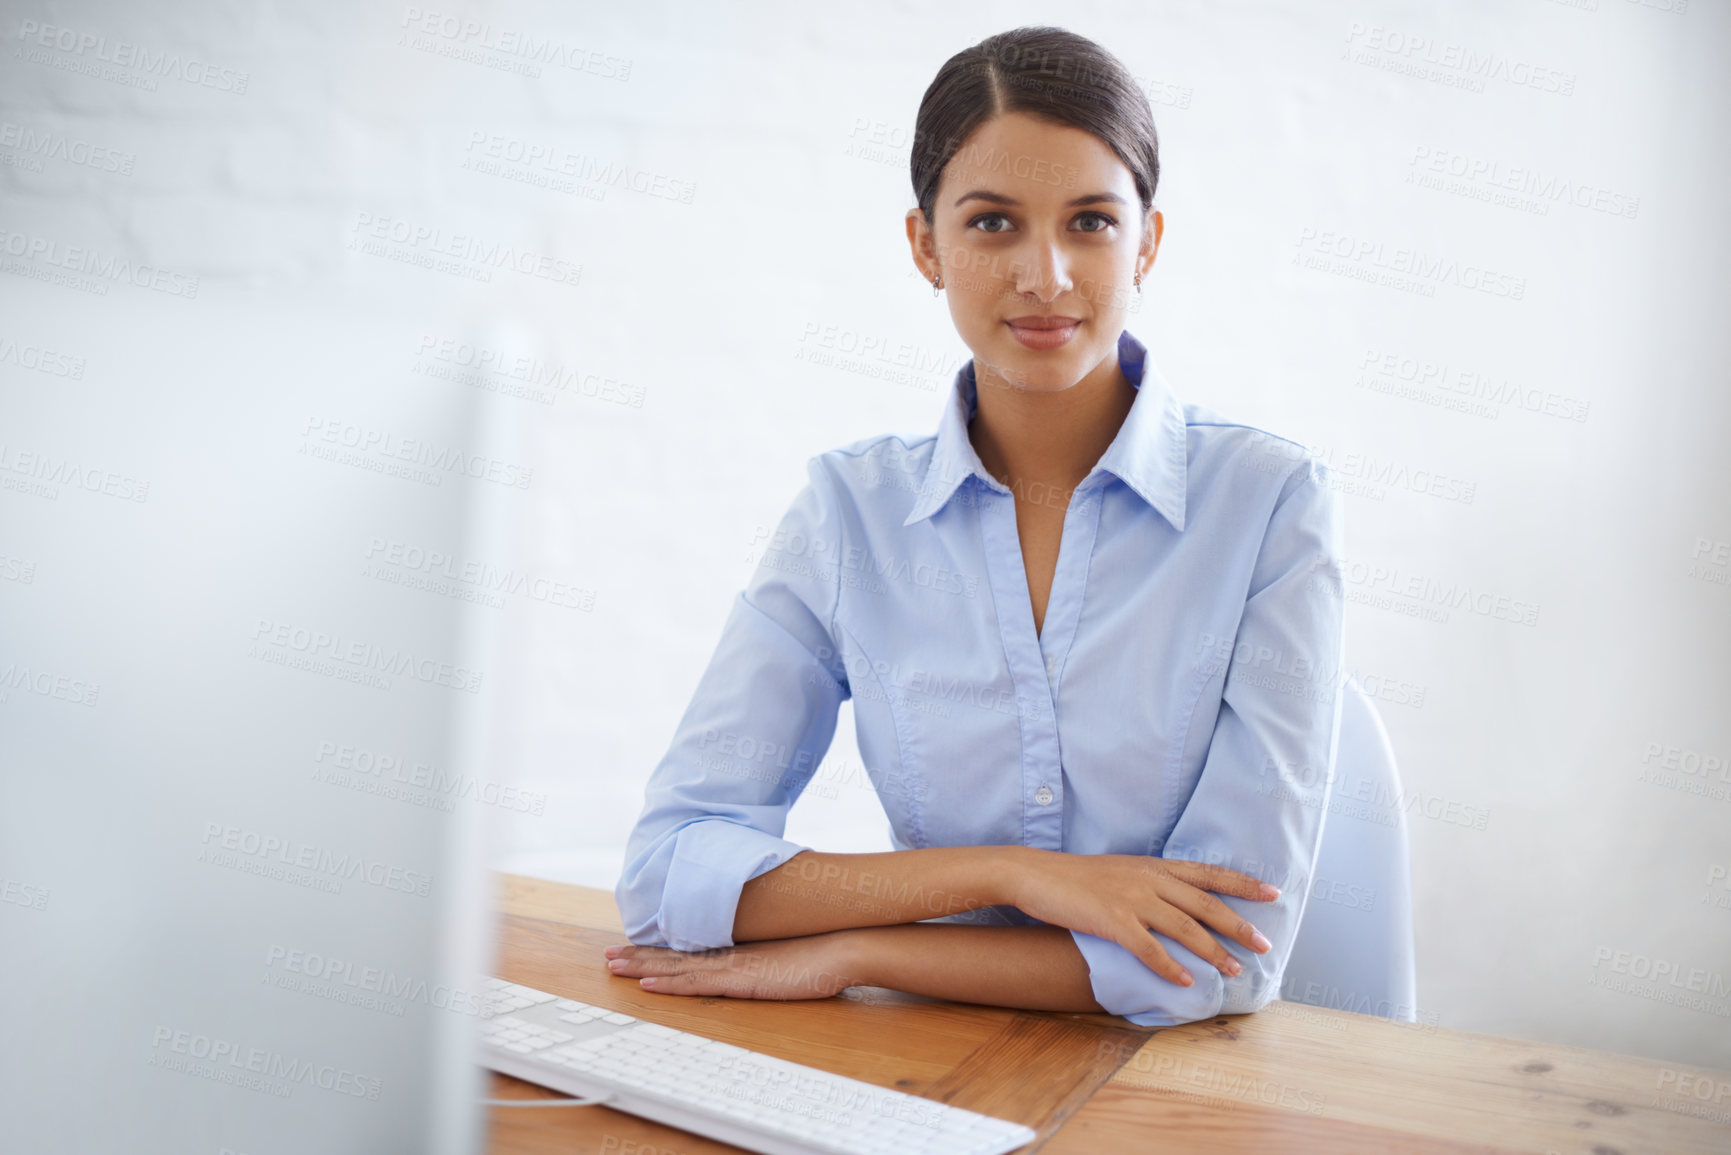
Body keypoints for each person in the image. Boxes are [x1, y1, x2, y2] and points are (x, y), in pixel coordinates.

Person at [607, 25, 1346, 1028]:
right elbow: (670, 875)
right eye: (994, 224)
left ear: (1149, 243)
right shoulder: (849, 514)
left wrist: (861, 951)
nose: (1045, 275)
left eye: (1090, 222)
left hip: (1174, 1091)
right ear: (927, 247)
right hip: (923, 1074)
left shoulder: (1269, 504)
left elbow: (1216, 957)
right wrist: (1014, 877)